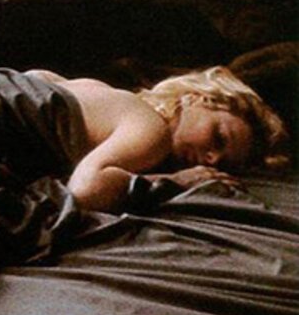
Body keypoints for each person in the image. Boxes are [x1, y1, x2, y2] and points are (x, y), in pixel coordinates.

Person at [30, 65, 290, 213]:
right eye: (218, 138)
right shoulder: (152, 130)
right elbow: (85, 192)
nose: (212, 159)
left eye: (224, 163)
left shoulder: (102, 92)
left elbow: (35, 78)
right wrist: (175, 182)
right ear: (197, 98)